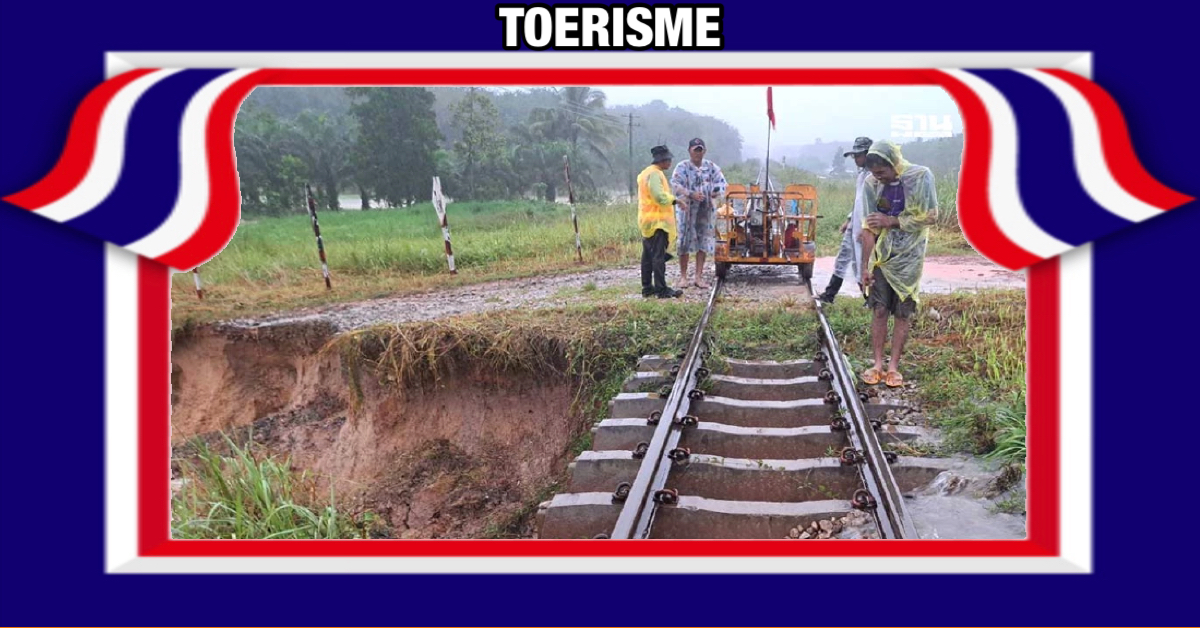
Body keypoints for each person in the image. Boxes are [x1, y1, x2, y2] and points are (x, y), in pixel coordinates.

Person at [858, 140, 939, 388]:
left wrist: (891, 221)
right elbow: (868, 228)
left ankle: (894, 367)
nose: (878, 178)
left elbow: (931, 216)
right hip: (883, 256)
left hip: (910, 257)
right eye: (874, 173)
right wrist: (865, 266)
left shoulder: (920, 176)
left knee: (903, 312)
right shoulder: (871, 184)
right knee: (879, 309)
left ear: (894, 164)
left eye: (882, 172)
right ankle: (878, 364)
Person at [816, 136, 872, 304]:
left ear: (867, 154)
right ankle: (830, 294)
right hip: (855, 223)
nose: (855, 159)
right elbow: (858, 201)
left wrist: (867, 228)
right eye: (854, 156)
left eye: (858, 155)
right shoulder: (862, 174)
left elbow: (871, 205)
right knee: (843, 257)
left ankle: (869, 297)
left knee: (861, 261)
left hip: (865, 226)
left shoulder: (874, 176)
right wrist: (849, 220)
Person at [670, 137, 727, 289]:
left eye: (700, 150)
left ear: (704, 151)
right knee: (684, 241)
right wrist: (690, 193)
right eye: (695, 150)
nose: (698, 153)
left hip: (706, 211)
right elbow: (675, 185)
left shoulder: (712, 167)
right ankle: (683, 277)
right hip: (687, 211)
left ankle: (698, 277)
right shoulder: (682, 167)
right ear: (689, 151)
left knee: (703, 241)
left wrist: (716, 192)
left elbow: (722, 183)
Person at [638, 145, 683, 298]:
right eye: (668, 160)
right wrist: (675, 200)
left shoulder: (645, 173)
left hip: (647, 220)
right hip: (657, 222)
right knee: (658, 257)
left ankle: (647, 287)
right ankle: (661, 289)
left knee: (648, 256)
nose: (670, 163)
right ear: (662, 160)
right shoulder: (655, 174)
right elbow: (658, 196)